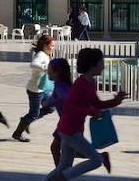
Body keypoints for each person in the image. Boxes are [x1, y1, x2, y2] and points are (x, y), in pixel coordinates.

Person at [43, 47, 126, 180]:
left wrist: (116, 101)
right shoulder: (79, 84)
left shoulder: (91, 82)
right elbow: (70, 106)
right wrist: (91, 111)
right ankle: (64, 178)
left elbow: (96, 104)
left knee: (64, 166)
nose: (103, 66)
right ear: (92, 65)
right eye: (101, 63)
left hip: (73, 129)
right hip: (69, 129)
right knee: (96, 160)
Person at [13, 34, 56, 141]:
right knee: (33, 114)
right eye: (52, 46)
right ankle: (17, 133)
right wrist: (45, 68)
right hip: (35, 91)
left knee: (51, 108)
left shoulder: (46, 55)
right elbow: (33, 64)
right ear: (45, 46)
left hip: (42, 89)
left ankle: (27, 120)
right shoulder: (40, 55)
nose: (53, 48)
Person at [41, 57, 73, 168]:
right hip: (67, 121)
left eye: (49, 70)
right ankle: (61, 171)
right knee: (61, 148)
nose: (47, 72)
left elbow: (64, 97)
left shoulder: (60, 85)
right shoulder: (62, 84)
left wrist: (49, 103)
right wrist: (49, 101)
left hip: (68, 122)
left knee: (58, 148)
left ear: (57, 72)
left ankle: (60, 172)